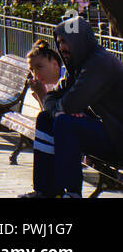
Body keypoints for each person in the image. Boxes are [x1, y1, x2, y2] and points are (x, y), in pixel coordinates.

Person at [21, 19, 123, 198]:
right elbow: (53, 97)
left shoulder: (98, 64)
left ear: (80, 40)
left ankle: (72, 192)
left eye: (66, 41)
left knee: (65, 123)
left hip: (118, 137)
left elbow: (71, 103)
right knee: (46, 118)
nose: (61, 47)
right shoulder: (78, 64)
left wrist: (62, 109)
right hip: (108, 131)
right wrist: (57, 110)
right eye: (59, 42)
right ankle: (45, 190)